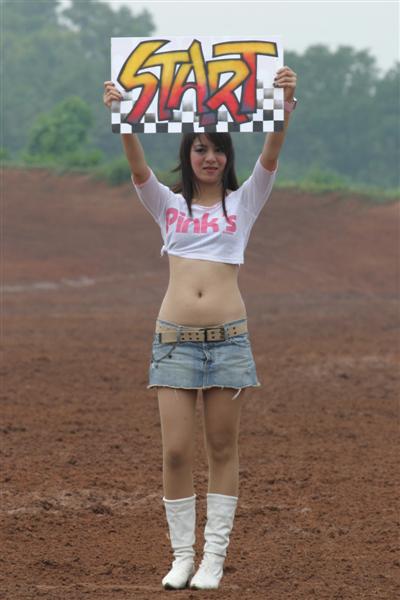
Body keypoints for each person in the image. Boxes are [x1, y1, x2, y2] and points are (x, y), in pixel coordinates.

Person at [103, 65, 297, 590]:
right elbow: (136, 164)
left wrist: (284, 102)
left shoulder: (244, 201)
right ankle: (181, 556)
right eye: (200, 148)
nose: (210, 158)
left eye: (218, 150)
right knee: (175, 451)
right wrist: (121, 114)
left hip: (228, 340)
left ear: (228, 157)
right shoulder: (167, 204)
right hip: (174, 341)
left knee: (223, 448)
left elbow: (272, 151)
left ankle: (213, 558)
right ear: (187, 155)